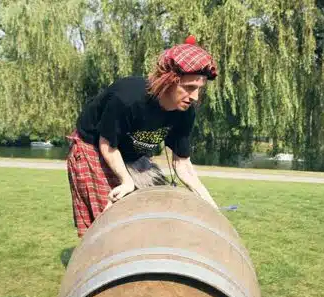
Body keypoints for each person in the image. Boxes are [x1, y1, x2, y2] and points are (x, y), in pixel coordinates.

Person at [66, 35, 220, 238]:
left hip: (132, 154)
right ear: (168, 81)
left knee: (154, 211)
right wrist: (126, 181)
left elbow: (182, 164)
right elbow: (107, 145)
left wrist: (212, 208)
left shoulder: (185, 112)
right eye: (189, 88)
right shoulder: (127, 99)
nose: (195, 97)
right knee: (109, 224)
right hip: (93, 148)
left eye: (199, 89)